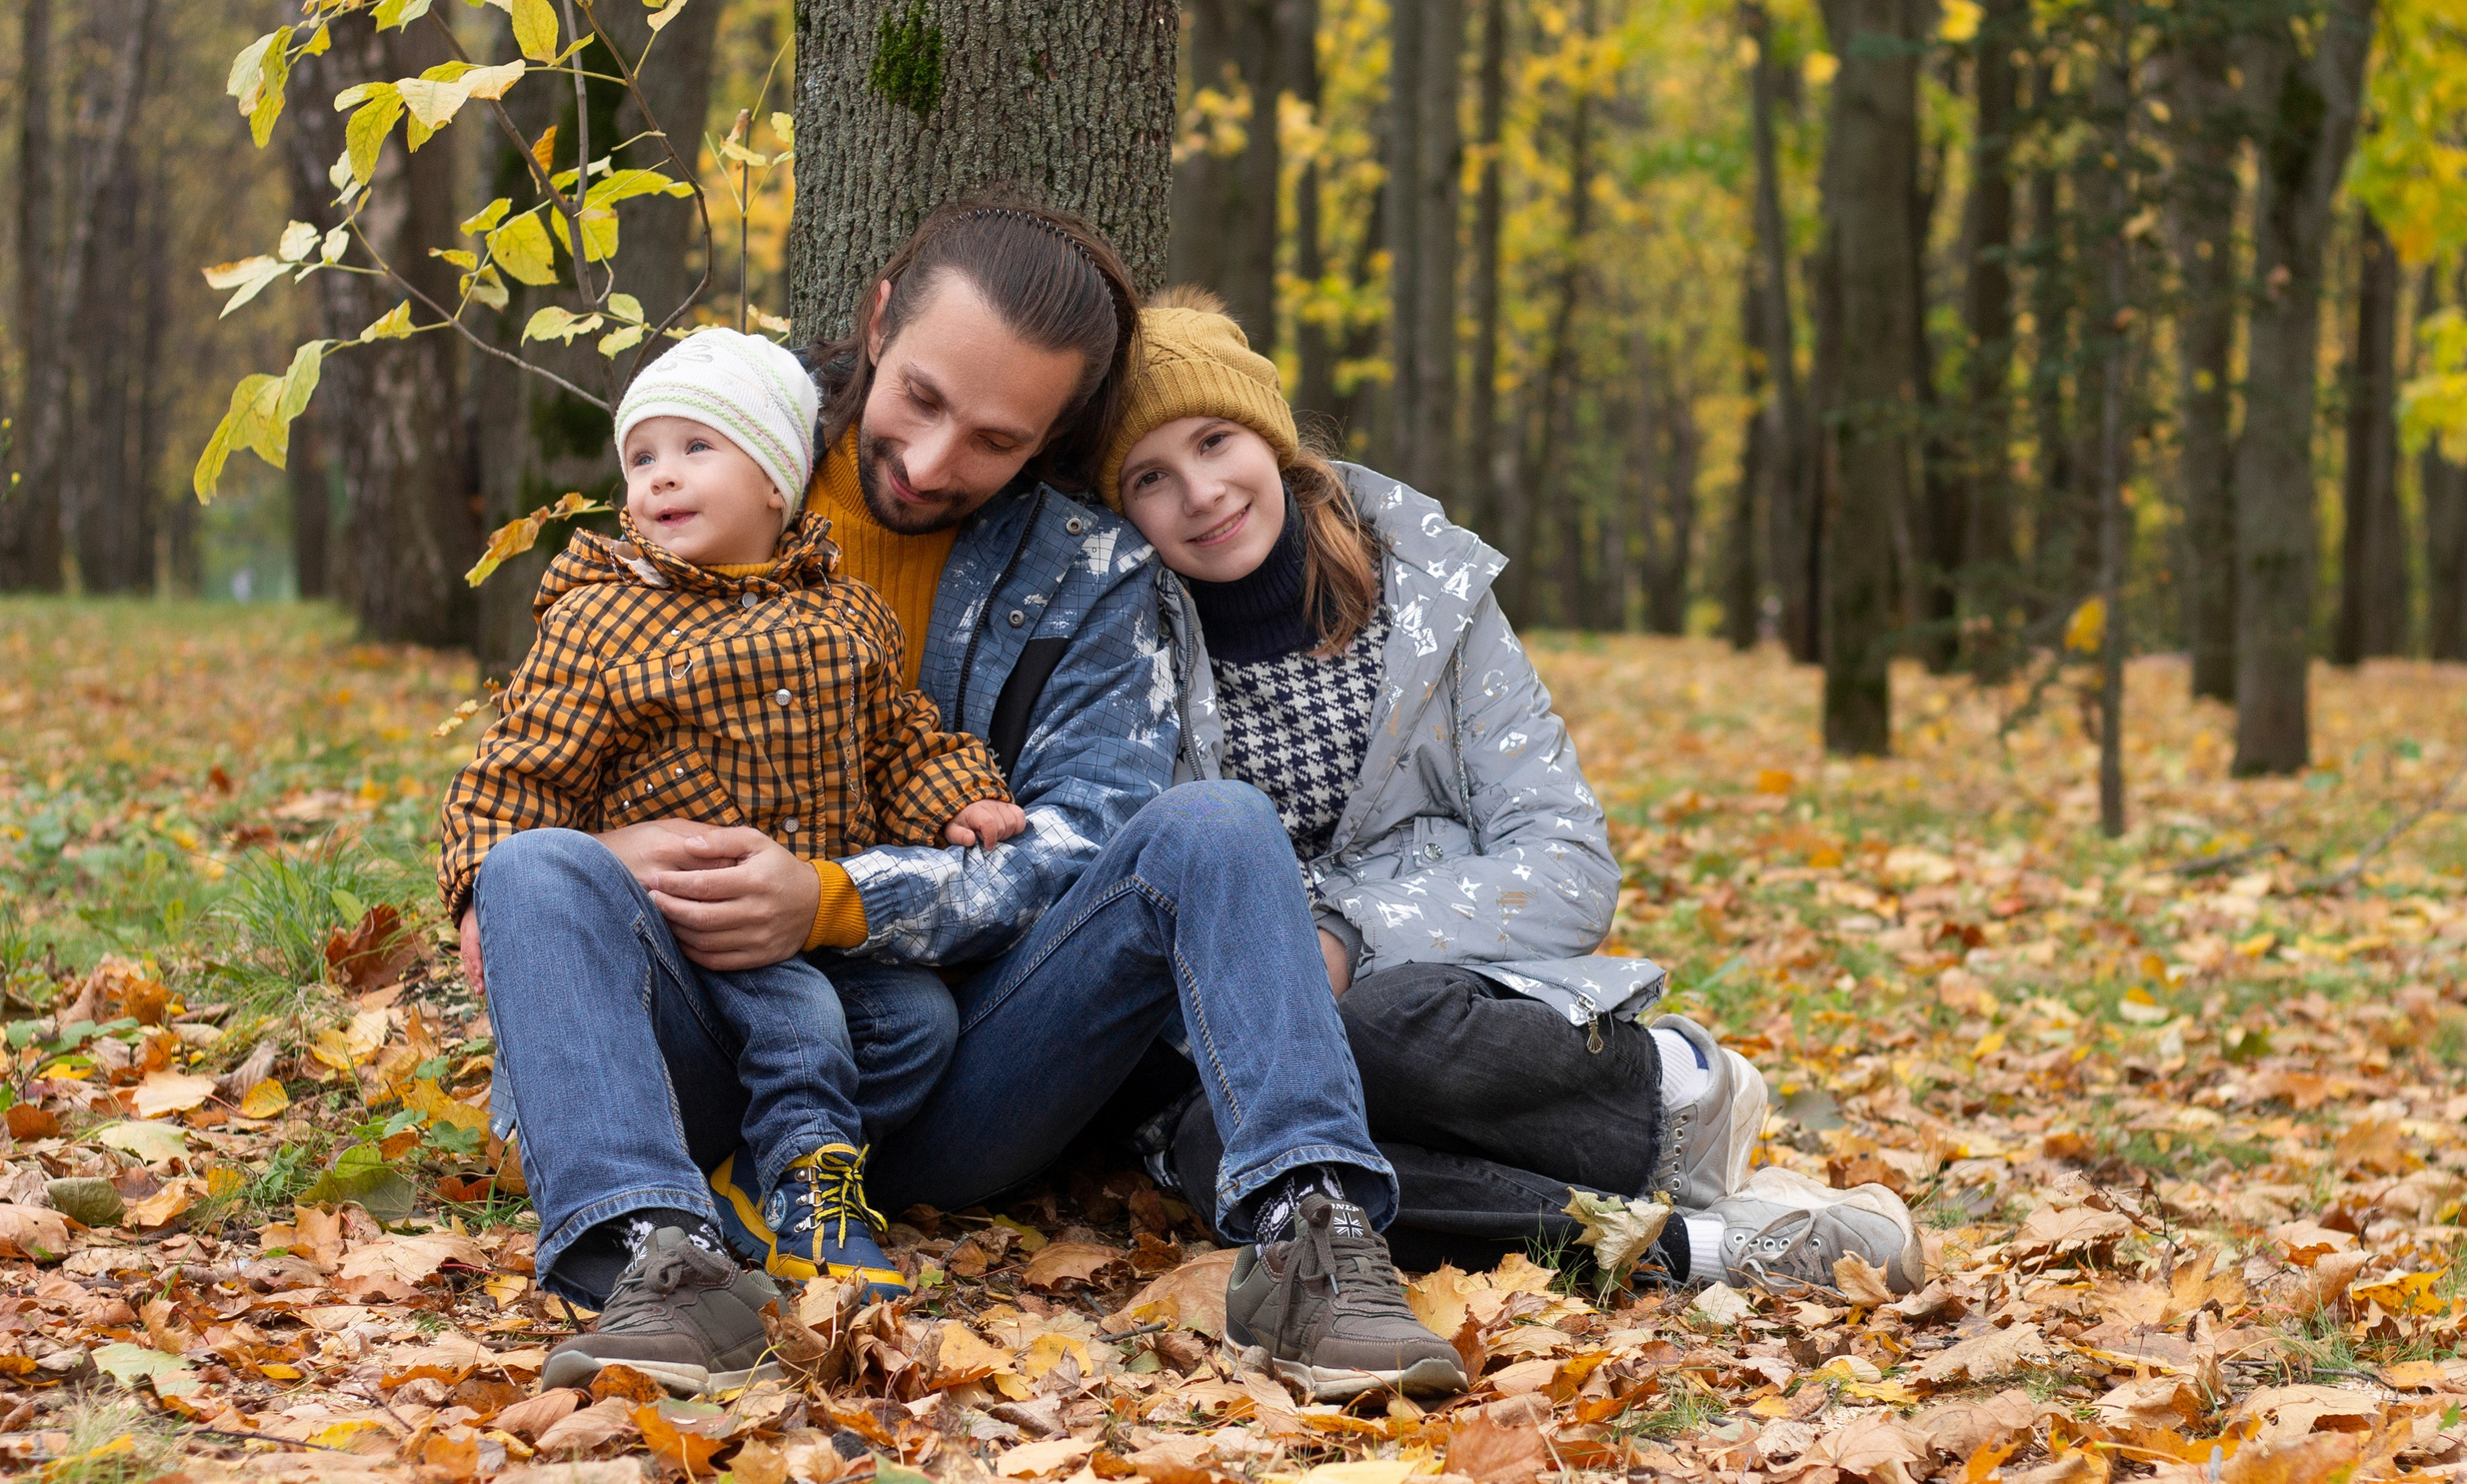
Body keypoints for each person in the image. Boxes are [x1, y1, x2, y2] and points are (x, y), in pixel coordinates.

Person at [476, 198, 1460, 1404]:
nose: (936, 463)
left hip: (949, 1071)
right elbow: (525, 763)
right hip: (697, 1055)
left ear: (1050, 439)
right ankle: (652, 1257)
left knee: (1217, 825)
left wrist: (838, 900)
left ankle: (1311, 1234)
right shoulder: (708, 445)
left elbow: (1078, 843)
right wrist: (597, 853)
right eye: (924, 400)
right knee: (532, 868)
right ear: (880, 320)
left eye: (996, 440)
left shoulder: (1090, 570)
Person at [1100, 288, 1925, 1297]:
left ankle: (1669, 1096)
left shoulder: (1428, 597)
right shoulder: (1125, 648)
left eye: (1217, 441)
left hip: (1443, 1010)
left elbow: (1568, 865)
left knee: (1370, 1029)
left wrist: (1341, 935)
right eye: (1151, 476)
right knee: (1221, 1154)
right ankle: (1713, 1249)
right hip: (1251, 1057)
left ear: (1271, 437)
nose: (1201, 492)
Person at [441, 330, 1030, 1353]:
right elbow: (515, 775)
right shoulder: (602, 623)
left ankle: (761, 1197)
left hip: (804, 947)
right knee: (543, 869)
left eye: (697, 448)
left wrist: (960, 799)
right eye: (641, 458)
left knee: (919, 1020)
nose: (661, 475)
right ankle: (646, 1234)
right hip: (670, 966)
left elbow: (898, 741)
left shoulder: (847, 615)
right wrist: (482, 892)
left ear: (777, 482)